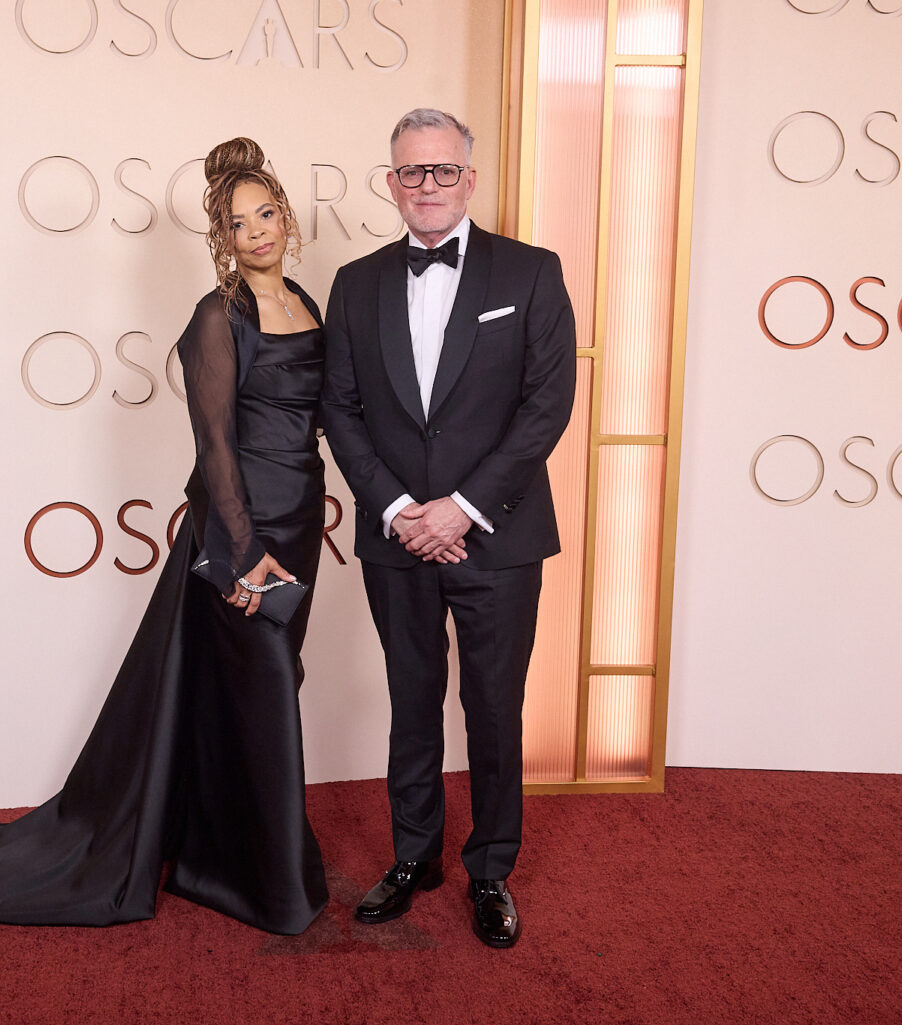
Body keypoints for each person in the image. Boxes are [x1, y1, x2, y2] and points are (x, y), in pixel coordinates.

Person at [0, 138, 330, 935]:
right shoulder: (217, 317)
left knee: (265, 692)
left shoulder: (305, 301)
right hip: (241, 540)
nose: (257, 231)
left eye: (265, 214)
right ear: (220, 237)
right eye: (238, 222)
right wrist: (242, 556)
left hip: (299, 524)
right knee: (264, 698)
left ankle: (218, 861)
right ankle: (271, 887)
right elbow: (216, 447)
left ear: (285, 215)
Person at [320, 108, 576, 948]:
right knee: (410, 700)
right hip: (396, 537)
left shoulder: (533, 272)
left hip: (498, 536)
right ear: (390, 184)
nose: (426, 186)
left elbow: (546, 407)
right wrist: (399, 510)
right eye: (409, 172)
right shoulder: (354, 283)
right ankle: (413, 855)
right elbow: (341, 411)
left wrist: (460, 509)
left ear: (470, 178)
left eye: (442, 171)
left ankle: (491, 867)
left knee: (495, 708)